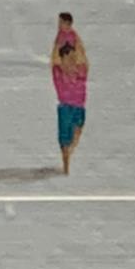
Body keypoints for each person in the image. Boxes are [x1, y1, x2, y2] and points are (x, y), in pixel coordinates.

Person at [52, 13, 89, 175]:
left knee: (78, 129)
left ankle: (69, 152)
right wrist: (61, 62)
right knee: (64, 137)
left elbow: (82, 58)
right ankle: (66, 162)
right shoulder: (59, 72)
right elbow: (55, 60)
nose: (59, 25)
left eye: (61, 22)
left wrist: (75, 62)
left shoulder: (74, 37)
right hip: (66, 105)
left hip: (79, 104)